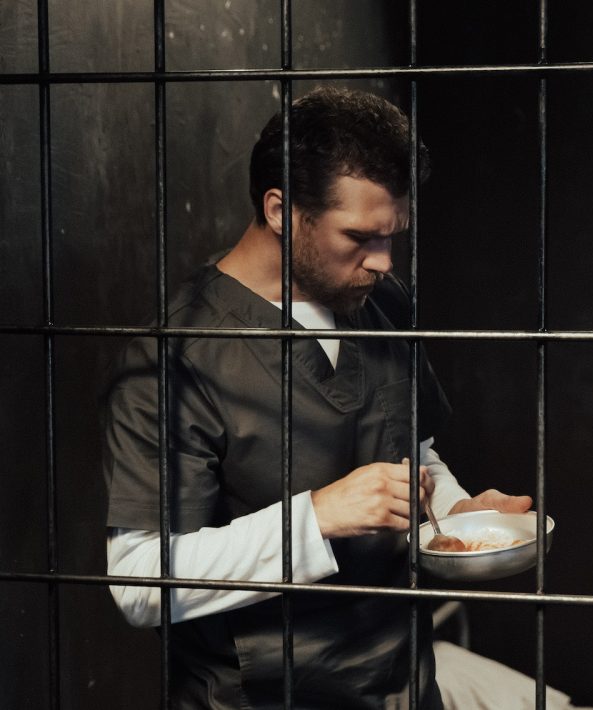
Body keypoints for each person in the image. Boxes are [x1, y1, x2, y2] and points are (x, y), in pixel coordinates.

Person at [103, 87, 533, 709]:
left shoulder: (380, 300)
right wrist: (318, 518)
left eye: (394, 235)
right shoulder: (174, 356)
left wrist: (456, 515)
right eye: (359, 235)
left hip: (403, 685)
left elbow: (408, 449)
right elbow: (139, 584)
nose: (384, 261)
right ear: (281, 210)